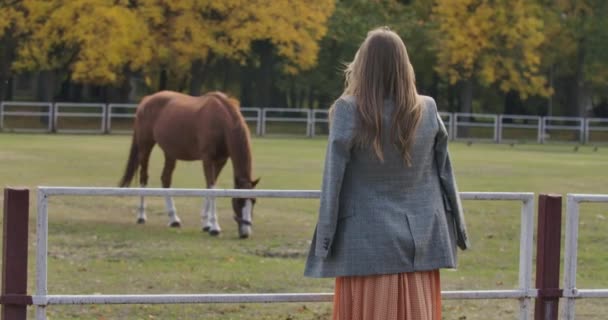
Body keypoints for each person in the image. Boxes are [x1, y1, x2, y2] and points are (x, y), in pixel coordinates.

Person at [304, 27, 470, 320]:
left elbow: (333, 180)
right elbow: (446, 172)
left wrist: (325, 242)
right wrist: (460, 232)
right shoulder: (427, 109)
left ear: (363, 65)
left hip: (365, 247)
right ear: (405, 65)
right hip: (421, 245)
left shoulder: (347, 110)